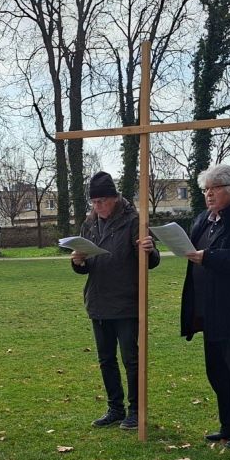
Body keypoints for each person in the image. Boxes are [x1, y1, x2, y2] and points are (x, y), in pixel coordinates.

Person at [144, 163, 230, 447]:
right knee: (217, 372)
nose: (208, 194)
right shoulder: (203, 219)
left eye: (215, 188)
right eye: (205, 189)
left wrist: (209, 257)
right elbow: (190, 248)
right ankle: (229, 425)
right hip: (208, 311)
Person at [70, 171, 159, 429]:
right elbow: (86, 267)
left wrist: (149, 251)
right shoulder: (89, 225)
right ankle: (115, 408)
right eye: (94, 202)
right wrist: (78, 261)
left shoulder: (134, 222)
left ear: (115, 198)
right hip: (98, 301)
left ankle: (136, 410)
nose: (98, 206)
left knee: (131, 359)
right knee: (106, 359)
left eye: (102, 201)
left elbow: (151, 262)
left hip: (126, 302)